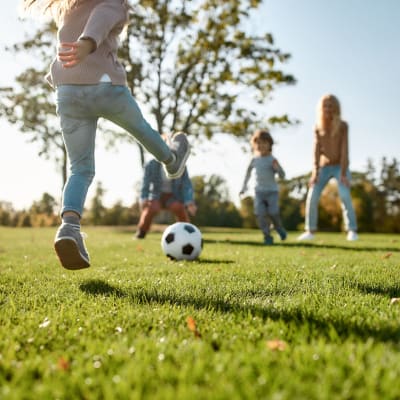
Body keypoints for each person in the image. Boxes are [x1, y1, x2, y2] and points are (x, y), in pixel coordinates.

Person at [24, 0, 190, 270]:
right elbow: (100, 19)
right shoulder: (114, 2)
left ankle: (69, 227)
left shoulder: (69, 9)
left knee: (80, 169)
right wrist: (88, 43)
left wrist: (72, 58)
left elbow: (83, 29)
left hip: (67, 93)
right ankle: (171, 160)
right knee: (143, 130)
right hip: (105, 86)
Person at [297, 94, 358, 241]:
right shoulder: (317, 127)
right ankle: (310, 230)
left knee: (344, 195)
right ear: (321, 108)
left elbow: (345, 150)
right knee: (312, 195)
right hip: (324, 167)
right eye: (325, 105)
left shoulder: (343, 126)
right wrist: (315, 173)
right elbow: (316, 151)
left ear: (336, 108)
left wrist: (343, 173)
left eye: (331, 105)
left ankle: (352, 230)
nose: (328, 108)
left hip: (339, 167)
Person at [239, 129, 287, 245]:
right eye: (258, 143)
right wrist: (244, 188)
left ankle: (278, 227)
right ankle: (267, 236)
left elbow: (282, 175)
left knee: (273, 213)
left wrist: (277, 169)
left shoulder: (272, 159)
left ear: (270, 145)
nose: (261, 145)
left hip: (272, 191)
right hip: (259, 192)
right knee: (260, 215)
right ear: (254, 145)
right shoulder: (254, 160)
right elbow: (247, 174)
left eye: (264, 143)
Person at [135, 153, 197, 239]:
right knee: (152, 208)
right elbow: (145, 183)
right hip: (156, 195)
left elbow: (186, 184)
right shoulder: (151, 164)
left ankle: (188, 233)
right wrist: (143, 198)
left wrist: (189, 201)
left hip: (173, 196)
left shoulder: (180, 165)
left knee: (179, 208)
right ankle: (141, 231)